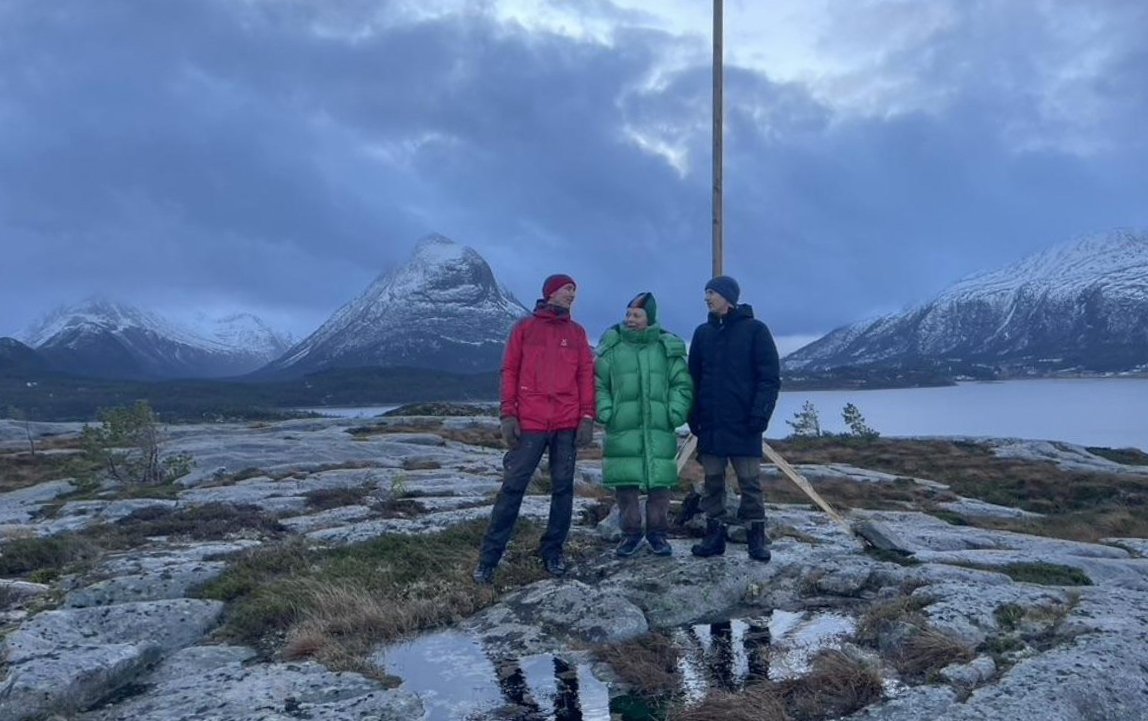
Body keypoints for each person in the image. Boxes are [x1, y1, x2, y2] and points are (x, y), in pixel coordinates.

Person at [473, 273, 596, 584]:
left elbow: (585, 377)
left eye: (573, 290)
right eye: (568, 289)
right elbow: (509, 370)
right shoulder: (524, 328)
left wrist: (586, 417)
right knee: (513, 487)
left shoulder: (578, 334)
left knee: (563, 489)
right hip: (530, 422)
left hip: (566, 423)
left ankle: (552, 552)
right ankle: (489, 559)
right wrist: (508, 416)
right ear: (552, 292)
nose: (572, 295)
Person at [687, 275, 781, 562]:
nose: (706, 298)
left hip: (745, 424)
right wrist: (694, 416)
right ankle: (713, 538)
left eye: (711, 293)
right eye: (706, 293)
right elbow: (693, 379)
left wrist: (760, 415)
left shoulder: (756, 330)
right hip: (712, 425)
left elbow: (769, 378)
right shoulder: (703, 333)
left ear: (728, 297)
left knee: (750, 484)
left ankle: (756, 539)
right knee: (713, 483)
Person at [595, 292, 693, 557]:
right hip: (622, 427)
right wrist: (606, 410)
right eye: (628, 314)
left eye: (636, 315)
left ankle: (658, 535)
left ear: (650, 318)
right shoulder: (612, 348)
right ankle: (630, 535)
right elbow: (598, 384)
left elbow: (682, 385)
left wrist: (674, 413)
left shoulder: (666, 348)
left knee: (659, 487)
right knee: (625, 487)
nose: (630, 319)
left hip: (658, 427)